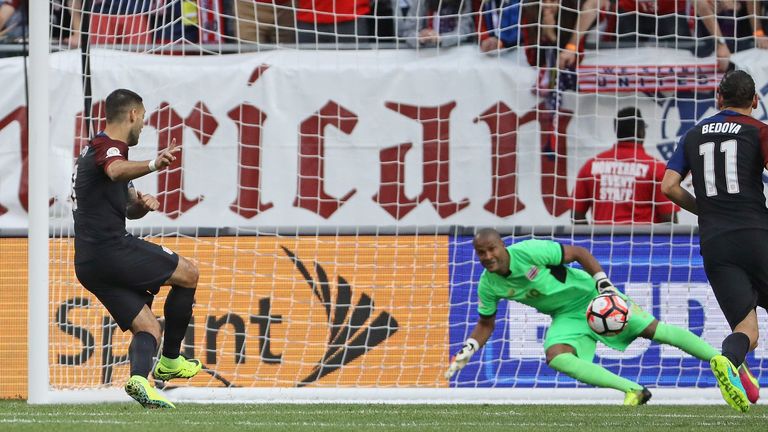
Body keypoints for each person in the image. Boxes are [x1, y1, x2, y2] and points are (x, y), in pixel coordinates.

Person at [445, 228, 759, 406]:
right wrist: (469, 348)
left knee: (653, 330)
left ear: (501, 245)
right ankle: (633, 390)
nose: (487, 257)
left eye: (491, 249)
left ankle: (730, 364)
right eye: (481, 253)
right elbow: (486, 323)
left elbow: (578, 253)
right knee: (555, 355)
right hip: (566, 315)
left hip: (594, 298)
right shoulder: (489, 285)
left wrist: (603, 283)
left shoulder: (529, 251)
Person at [71, 89, 202, 409]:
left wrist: (141, 205)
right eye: (142, 118)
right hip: (109, 249)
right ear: (131, 114)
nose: (143, 125)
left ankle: (141, 381)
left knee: (148, 326)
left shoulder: (95, 152)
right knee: (188, 272)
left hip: (88, 263)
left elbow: (128, 205)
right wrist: (155, 163)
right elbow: (116, 170)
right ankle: (171, 360)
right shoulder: (110, 147)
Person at [662, 69, 768, 413]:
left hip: (715, 242)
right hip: (756, 233)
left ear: (718, 99)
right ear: (755, 101)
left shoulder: (694, 134)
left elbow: (669, 186)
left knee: (746, 327)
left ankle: (729, 359)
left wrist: (704, 210)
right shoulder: (759, 131)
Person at [572, 107, 678, 224]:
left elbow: (576, 214)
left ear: (616, 131)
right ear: (640, 131)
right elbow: (670, 220)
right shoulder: (655, 168)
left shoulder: (591, 166)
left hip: (602, 241)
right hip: (642, 241)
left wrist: (592, 241)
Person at [397, 0, 475, 49]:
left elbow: (465, 30)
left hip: (458, 54)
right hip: (426, 57)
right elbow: (407, 31)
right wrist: (420, 37)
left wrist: (441, 39)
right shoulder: (422, 2)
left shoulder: (465, 2)